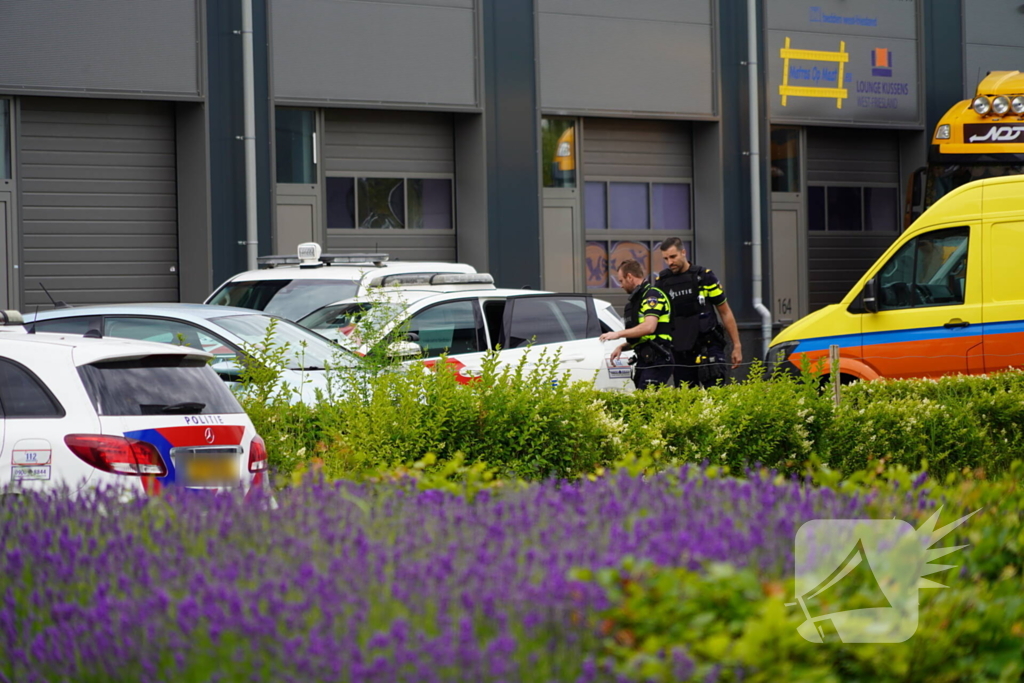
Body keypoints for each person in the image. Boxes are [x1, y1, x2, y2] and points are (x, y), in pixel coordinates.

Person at [655, 237, 742, 388]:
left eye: (673, 257)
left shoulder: (704, 277)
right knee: (686, 398)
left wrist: (737, 345)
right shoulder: (662, 282)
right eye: (666, 259)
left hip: (707, 345)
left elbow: (725, 312)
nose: (670, 262)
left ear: (683, 252)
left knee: (716, 393)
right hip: (680, 349)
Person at [599, 260, 674, 390]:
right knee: (641, 397)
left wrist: (618, 334)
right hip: (645, 358)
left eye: (621, 281)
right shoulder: (637, 301)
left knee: (647, 399)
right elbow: (644, 337)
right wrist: (623, 346)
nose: (620, 286)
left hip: (658, 358)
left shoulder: (652, 296)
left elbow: (649, 327)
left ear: (629, 277)